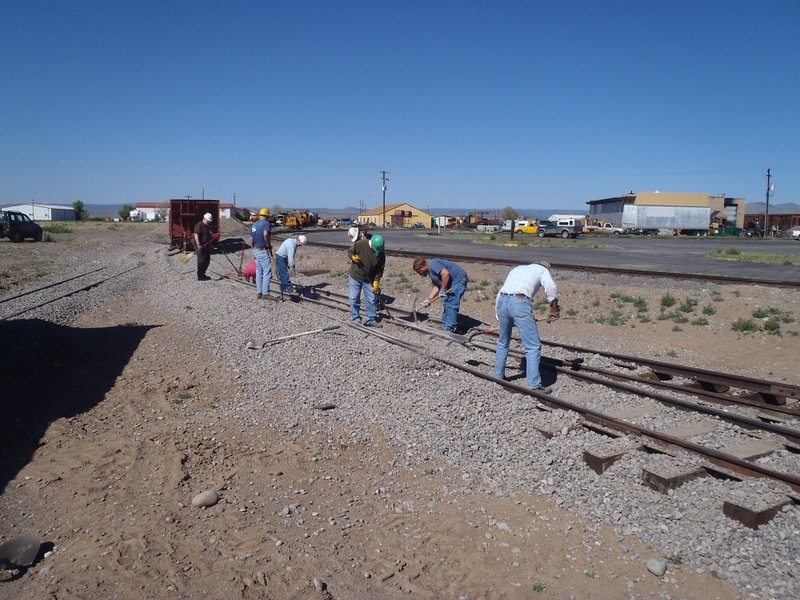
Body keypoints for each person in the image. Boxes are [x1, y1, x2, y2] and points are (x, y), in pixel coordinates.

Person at [494, 261, 560, 392]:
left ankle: (498, 375)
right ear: (545, 267)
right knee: (533, 347)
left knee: (503, 342)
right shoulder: (543, 270)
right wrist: (554, 307)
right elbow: (551, 288)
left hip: (502, 301)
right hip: (520, 302)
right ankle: (534, 385)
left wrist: (499, 315)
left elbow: (501, 291)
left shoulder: (517, 268)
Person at [413, 257, 468, 332]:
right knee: (446, 303)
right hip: (453, 284)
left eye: (419, 271)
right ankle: (445, 326)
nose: (420, 274)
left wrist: (442, 289)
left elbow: (446, 274)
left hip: (458, 281)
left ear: (422, 266)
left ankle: (448, 329)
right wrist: (429, 299)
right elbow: (437, 286)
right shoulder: (431, 271)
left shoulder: (433, 265)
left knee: (451, 305)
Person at [348, 234, 385, 326]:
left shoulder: (381, 253)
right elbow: (350, 251)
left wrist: (376, 281)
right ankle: (356, 318)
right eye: (374, 250)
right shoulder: (361, 244)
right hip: (355, 276)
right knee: (354, 297)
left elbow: (379, 269)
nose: (376, 253)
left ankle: (371, 319)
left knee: (371, 299)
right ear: (371, 244)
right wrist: (353, 257)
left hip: (369, 279)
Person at [251, 208, 273, 299]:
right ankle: (265, 293)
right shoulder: (266, 224)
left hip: (255, 250)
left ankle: (259, 292)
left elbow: (251, 240)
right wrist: (268, 245)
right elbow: (265, 234)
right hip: (262, 250)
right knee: (267, 272)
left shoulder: (254, 225)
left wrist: (254, 249)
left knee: (259, 271)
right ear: (267, 216)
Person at [193, 212, 214, 281]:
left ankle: (203, 274)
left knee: (207, 259)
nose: (208, 222)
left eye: (209, 221)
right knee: (201, 259)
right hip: (199, 245)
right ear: (204, 219)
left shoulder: (207, 226)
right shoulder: (199, 225)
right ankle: (200, 276)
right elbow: (196, 235)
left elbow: (209, 235)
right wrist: (198, 244)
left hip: (206, 245)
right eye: (208, 221)